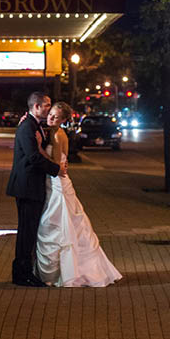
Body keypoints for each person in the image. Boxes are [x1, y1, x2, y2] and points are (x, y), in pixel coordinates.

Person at [34, 101, 122, 287]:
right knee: (61, 223)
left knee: (58, 223)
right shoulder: (52, 132)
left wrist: (39, 148)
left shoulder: (58, 135)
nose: (51, 118)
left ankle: (68, 272)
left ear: (63, 120)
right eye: (51, 114)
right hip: (54, 182)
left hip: (57, 183)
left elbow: (57, 164)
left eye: (56, 117)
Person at [6, 91, 67, 287]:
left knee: (30, 231)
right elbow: (33, 156)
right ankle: (21, 274)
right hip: (27, 187)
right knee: (26, 231)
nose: (50, 108)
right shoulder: (27, 127)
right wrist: (56, 169)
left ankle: (26, 270)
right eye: (47, 105)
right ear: (37, 106)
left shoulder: (35, 125)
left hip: (33, 185)